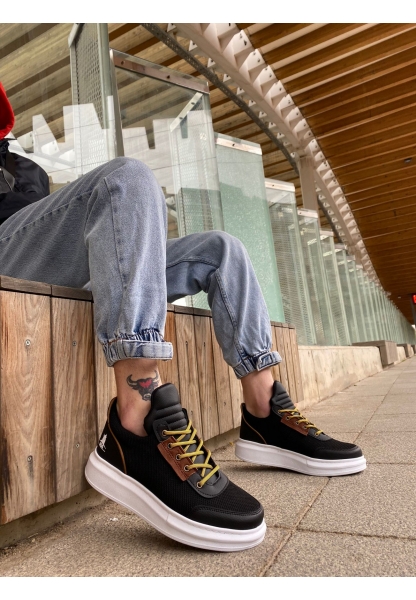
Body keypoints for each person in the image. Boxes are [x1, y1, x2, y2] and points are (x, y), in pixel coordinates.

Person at [0, 83, 365, 552]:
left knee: (221, 250)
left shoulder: (24, 166)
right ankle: (137, 421)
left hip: (53, 259)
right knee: (125, 177)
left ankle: (264, 412)